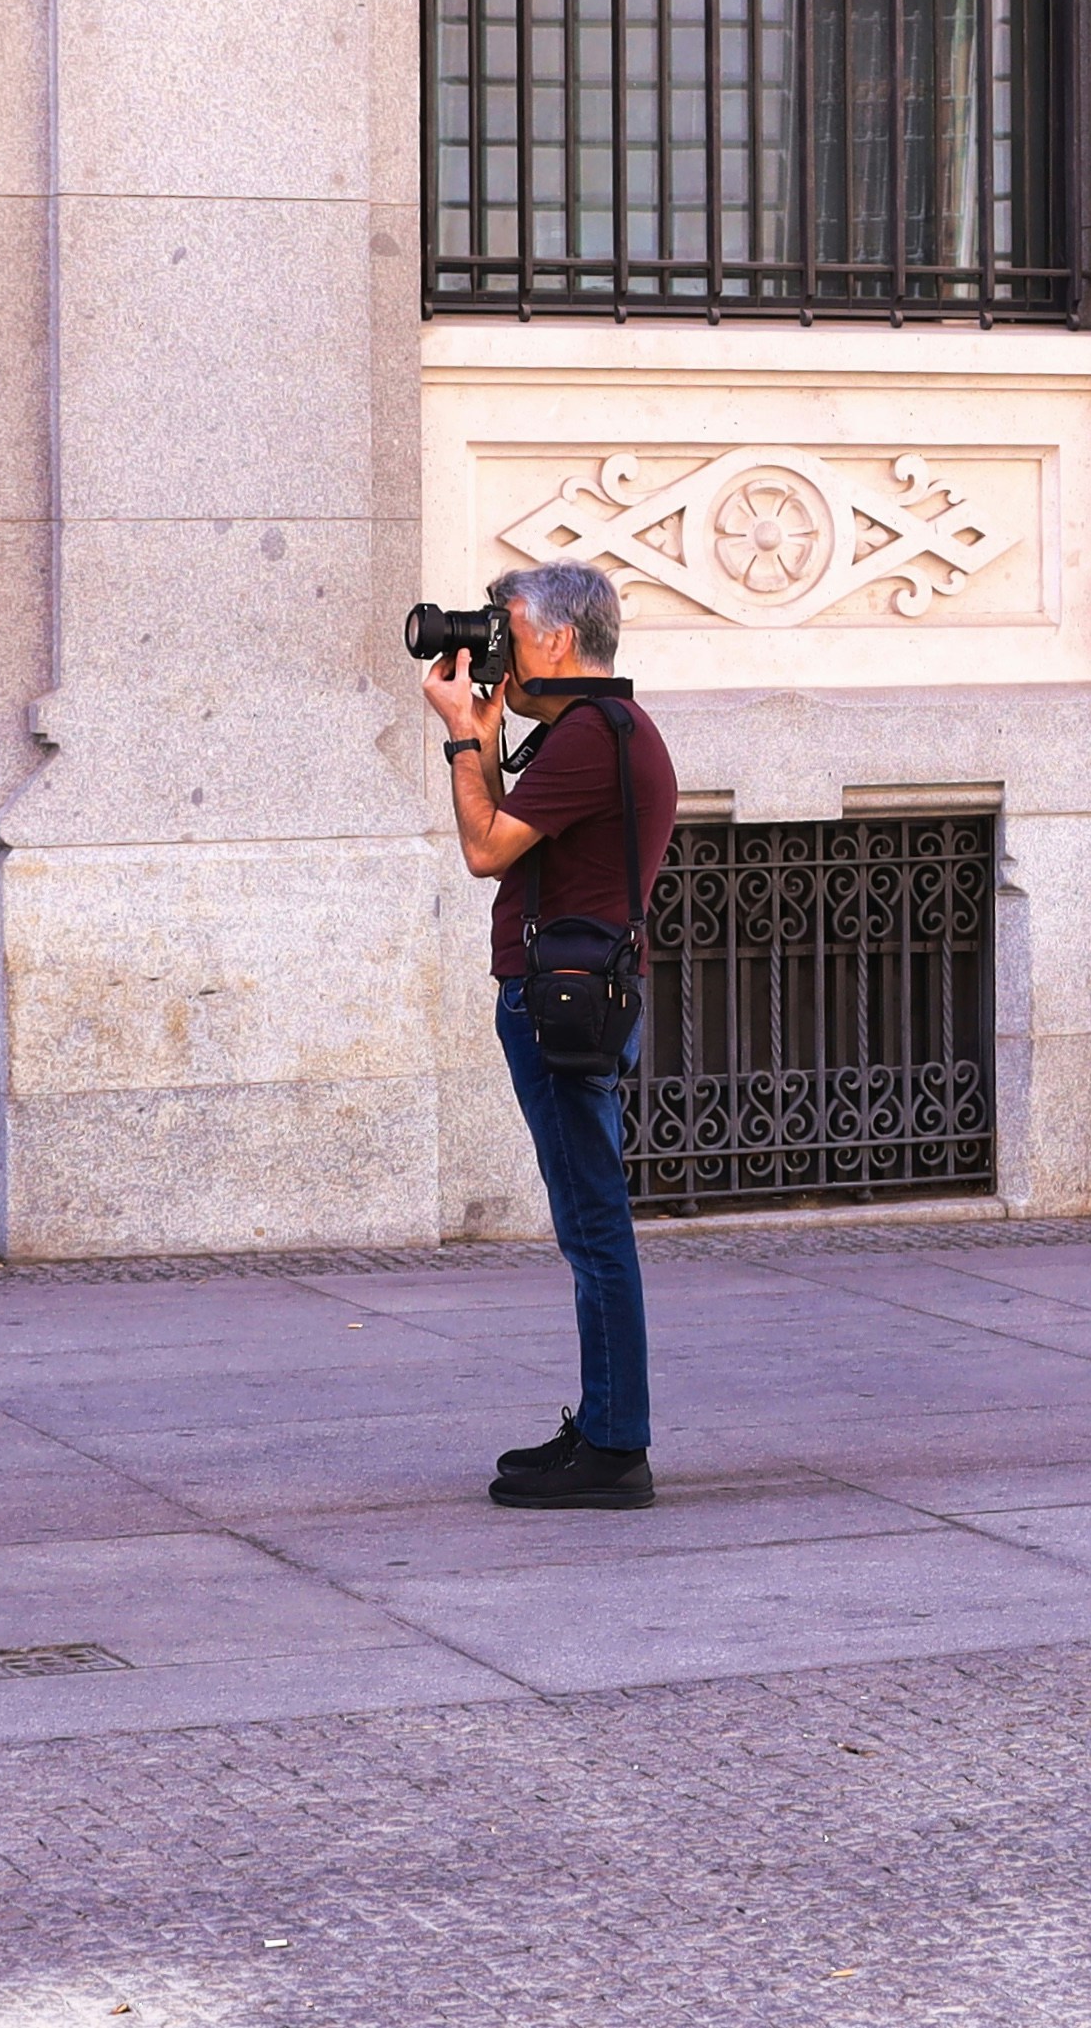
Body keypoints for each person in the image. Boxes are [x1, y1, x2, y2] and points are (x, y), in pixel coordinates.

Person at [420, 558, 679, 1511]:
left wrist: (463, 735)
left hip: (561, 1005)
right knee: (591, 1221)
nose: (495, 647)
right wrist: (485, 737)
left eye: (508, 629)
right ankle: (606, 1424)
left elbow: (482, 847)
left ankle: (614, 1447)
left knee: (593, 1226)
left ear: (561, 638)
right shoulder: (603, 729)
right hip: (573, 996)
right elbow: (505, 842)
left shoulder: (588, 737)